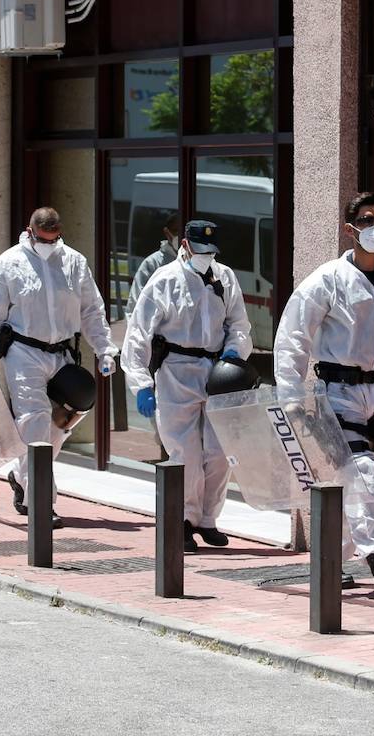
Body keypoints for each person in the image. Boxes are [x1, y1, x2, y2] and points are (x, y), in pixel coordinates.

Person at [274, 192, 374, 596]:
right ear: (350, 230)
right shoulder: (326, 280)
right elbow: (293, 336)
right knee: (362, 471)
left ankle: (331, 561)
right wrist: (291, 397)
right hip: (339, 394)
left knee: (366, 473)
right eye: (366, 220)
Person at [0, 207, 119, 528]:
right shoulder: (8, 264)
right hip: (23, 352)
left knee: (64, 420)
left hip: (62, 352)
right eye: (42, 239)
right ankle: (41, 503)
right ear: (30, 231)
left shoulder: (74, 262)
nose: (48, 244)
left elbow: (92, 310)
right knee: (34, 422)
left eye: (53, 239)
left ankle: (22, 476)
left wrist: (104, 349)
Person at [122, 220, 252, 552]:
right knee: (185, 453)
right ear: (185, 245)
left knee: (220, 451)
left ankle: (207, 519)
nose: (206, 256)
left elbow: (238, 322)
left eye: (211, 251)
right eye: (201, 250)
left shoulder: (224, 277)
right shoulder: (164, 281)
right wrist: (140, 383)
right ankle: (182, 520)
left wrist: (236, 351)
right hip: (176, 372)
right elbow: (138, 335)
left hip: (217, 371)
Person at [126, 212, 182, 318]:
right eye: (176, 231)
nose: (179, 236)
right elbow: (136, 303)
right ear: (167, 232)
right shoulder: (152, 264)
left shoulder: (196, 263)